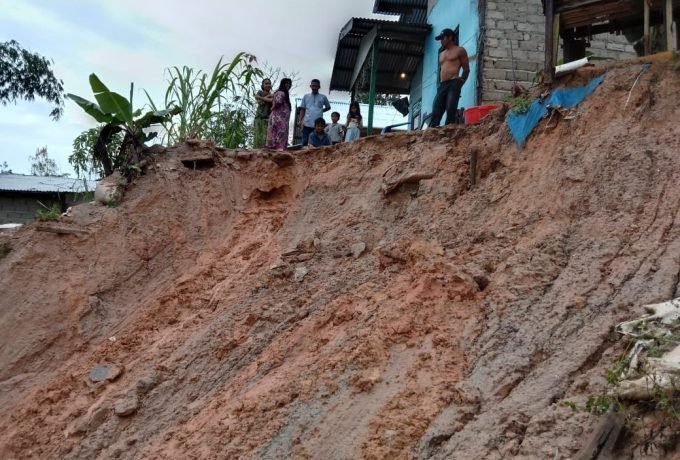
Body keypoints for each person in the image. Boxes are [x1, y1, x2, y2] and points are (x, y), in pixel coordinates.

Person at [430, 28, 470, 127]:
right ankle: (432, 131)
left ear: (450, 37)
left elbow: (466, 69)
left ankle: (449, 131)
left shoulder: (460, 50)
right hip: (442, 84)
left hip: (454, 82)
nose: (441, 41)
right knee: (436, 109)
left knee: (451, 108)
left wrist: (461, 82)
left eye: (442, 38)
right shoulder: (441, 54)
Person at [297, 79, 331, 146]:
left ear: (319, 87)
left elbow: (328, 107)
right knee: (305, 143)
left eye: (316, 86)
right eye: (313, 86)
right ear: (310, 86)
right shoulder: (306, 96)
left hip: (318, 126)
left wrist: (321, 111)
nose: (314, 87)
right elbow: (303, 109)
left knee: (317, 145)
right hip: (307, 124)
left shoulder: (323, 97)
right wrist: (300, 121)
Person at [265, 78, 292, 151]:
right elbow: (278, 102)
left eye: (289, 83)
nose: (288, 85)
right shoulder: (281, 92)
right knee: (279, 132)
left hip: (282, 118)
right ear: (282, 84)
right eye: (286, 83)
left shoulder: (284, 93)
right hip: (278, 118)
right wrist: (272, 108)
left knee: (281, 132)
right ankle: (278, 148)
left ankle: (280, 148)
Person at [253, 78, 273, 148]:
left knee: (265, 137)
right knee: (257, 136)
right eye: (266, 84)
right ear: (262, 85)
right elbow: (256, 98)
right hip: (259, 117)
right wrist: (267, 97)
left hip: (267, 118)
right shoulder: (260, 92)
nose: (268, 85)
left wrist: (262, 99)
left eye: (269, 83)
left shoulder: (272, 95)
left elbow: (271, 101)